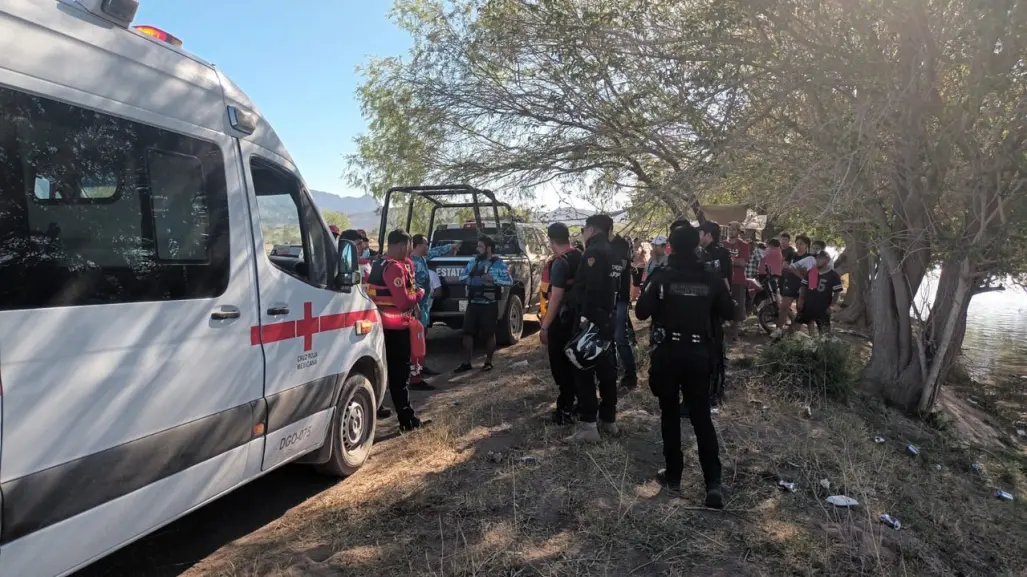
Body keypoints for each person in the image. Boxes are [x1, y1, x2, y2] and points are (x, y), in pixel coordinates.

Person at [635, 223, 734, 508]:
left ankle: (674, 475)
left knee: (669, 414)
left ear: (671, 247)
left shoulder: (662, 275)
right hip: (700, 355)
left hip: (668, 354)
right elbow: (730, 311)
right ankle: (712, 483)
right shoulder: (711, 276)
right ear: (696, 246)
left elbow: (641, 312)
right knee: (701, 416)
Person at [564, 214, 620, 444]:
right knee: (607, 368)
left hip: (592, 319)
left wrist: (585, 317)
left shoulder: (594, 252)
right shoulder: (616, 251)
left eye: (583, 230)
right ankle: (608, 419)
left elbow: (592, 288)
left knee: (583, 367)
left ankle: (589, 426)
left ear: (590, 230)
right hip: (609, 317)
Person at [364, 229, 426, 431]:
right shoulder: (393, 268)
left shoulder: (378, 263)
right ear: (402, 246)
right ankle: (407, 420)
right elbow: (402, 301)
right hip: (396, 330)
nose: (409, 251)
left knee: (389, 374)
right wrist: (420, 294)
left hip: (380, 328)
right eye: (408, 247)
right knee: (400, 377)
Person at [539, 223, 583, 425]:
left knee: (561, 367)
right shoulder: (581, 257)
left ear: (551, 241)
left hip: (562, 322)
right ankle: (579, 405)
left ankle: (565, 408)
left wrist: (545, 326)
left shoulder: (560, 263)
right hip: (580, 321)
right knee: (576, 365)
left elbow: (555, 297)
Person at [454, 235, 513, 373]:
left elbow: (509, 280)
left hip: (489, 304)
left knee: (489, 334)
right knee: (467, 333)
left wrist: (493, 278)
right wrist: (471, 279)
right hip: (473, 303)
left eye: (480, 246)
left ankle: (488, 362)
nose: (477, 249)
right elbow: (462, 276)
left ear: (488, 248)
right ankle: (466, 362)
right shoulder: (473, 262)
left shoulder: (497, 263)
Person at [409, 234, 460, 378]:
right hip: (416, 307)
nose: (427, 247)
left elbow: (434, 252)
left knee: (422, 339)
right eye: (425, 244)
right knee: (416, 340)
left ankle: (421, 366)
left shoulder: (422, 258)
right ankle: (415, 373)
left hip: (424, 307)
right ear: (418, 246)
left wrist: (451, 247)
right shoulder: (411, 263)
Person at [698, 221, 733, 408]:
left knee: (716, 351)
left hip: (715, 308)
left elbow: (725, 281)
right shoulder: (700, 253)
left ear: (708, 235)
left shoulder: (720, 253)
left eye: (700, 233)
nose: (698, 237)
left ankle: (717, 392)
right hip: (702, 308)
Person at [774, 235, 815, 338]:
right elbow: (785, 268)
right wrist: (799, 272)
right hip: (790, 284)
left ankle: (798, 332)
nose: (799, 245)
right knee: (784, 307)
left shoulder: (810, 257)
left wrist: (797, 271)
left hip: (804, 286)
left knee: (802, 309)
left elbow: (811, 273)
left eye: (801, 243)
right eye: (797, 243)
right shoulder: (791, 255)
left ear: (806, 245)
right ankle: (778, 329)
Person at [793, 250, 843, 336]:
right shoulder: (812, 272)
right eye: (817, 258)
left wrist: (832, 306)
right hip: (808, 304)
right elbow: (804, 286)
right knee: (797, 323)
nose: (818, 260)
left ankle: (822, 347)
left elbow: (836, 292)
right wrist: (801, 299)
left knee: (824, 331)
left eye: (821, 259)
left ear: (827, 260)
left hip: (823, 307)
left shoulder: (833, 275)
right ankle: (789, 343)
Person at [611, 235, 637, 389]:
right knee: (611, 339)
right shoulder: (603, 244)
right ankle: (614, 373)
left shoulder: (621, 243)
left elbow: (621, 265)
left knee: (620, 337)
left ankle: (630, 375)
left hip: (620, 298)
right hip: (609, 299)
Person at [722, 221, 751, 338]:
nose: (731, 232)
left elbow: (743, 263)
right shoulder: (723, 244)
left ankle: (735, 334)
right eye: (729, 229)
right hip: (724, 280)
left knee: (738, 306)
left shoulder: (743, 245)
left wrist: (729, 261)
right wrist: (734, 262)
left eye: (733, 229)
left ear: (738, 231)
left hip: (738, 280)